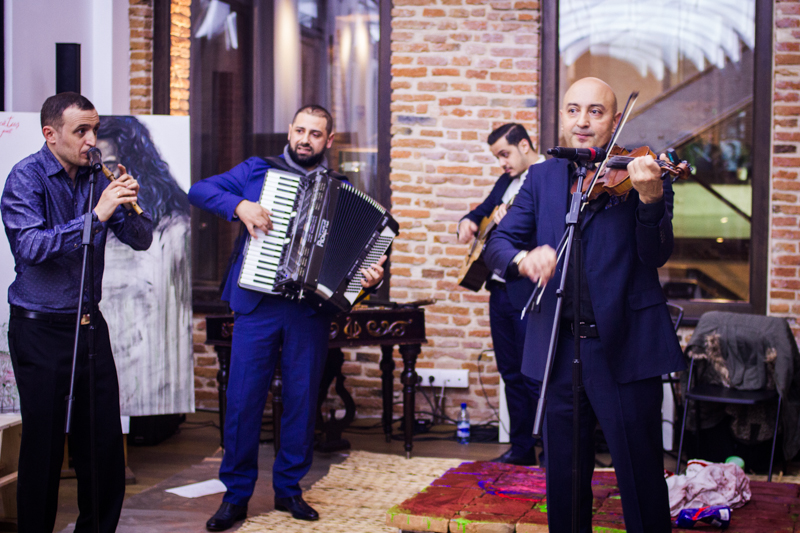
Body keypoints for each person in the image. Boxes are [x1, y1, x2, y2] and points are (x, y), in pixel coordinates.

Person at [484, 77, 685, 533]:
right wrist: (523, 258)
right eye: (573, 109)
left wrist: (651, 201)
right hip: (558, 348)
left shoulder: (641, 172)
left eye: (595, 111)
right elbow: (498, 243)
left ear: (614, 120)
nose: (582, 120)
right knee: (565, 480)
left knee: (641, 479)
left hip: (625, 349)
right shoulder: (541, 177)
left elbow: (655, 254)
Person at [188, 105, 386, 531]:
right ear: (290, 131)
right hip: (257, 306)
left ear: (328, 141)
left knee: (302, 402)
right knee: (242, 402)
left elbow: (351, 270)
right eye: (300, 130)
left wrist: (368, 277)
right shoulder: (257, 170)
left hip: (308, 312)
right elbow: (199, 191)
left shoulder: (341, 188)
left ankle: (290, 490)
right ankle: (235, 497)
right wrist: (240, 205)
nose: (306, 139)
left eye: (316, 133)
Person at [0, 92, 153, 533]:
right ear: (51, 135)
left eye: (94, 130)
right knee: (44, 449)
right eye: (80, 131)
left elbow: (141, 238)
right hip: (40, 329)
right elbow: (31, 248)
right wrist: (97, 215)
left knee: (102, 447)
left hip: (88, 326)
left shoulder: (97, 178)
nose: (91, 141)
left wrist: (128, 202)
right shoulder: (25, 178)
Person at [456, 123, 543, 465]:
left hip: (530, 290)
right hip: (499, 289)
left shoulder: (548, 177)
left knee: (534, 375)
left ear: (524, 145)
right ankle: (522, 450)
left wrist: (515, 221)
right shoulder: (506, 181)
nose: (502, 163)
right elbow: (483, 211)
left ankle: (550, 451)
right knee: (511, 373)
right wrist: (467, 220)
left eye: (505, 154)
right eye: (497, 157)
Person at [97, 116, 193, 415]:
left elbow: (173, 324)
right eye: (95, 164)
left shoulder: (172, 231)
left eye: (109, 165)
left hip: (146, 370)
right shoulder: (92, 221)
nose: (101, 174)